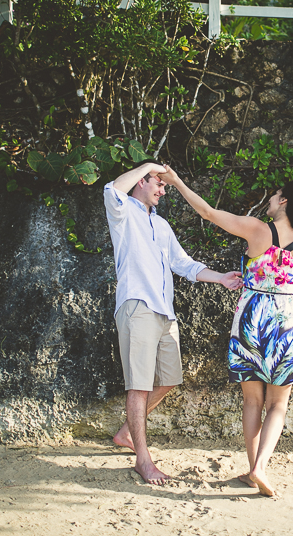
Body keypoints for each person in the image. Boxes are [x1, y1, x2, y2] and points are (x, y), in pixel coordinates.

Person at [160, 165, 293, 496]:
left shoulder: (257, 230)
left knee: (252, 401)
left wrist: (177, 180)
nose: (270, 200)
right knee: (278, 404)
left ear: (285, 201)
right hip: (287, 322)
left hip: (251, 319)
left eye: (274, 195)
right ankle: (260, 467)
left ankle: (253, 470)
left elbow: (207, 212)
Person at [103, 162, 242, 486]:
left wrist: (220, 278)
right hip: (136, 305)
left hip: (165, 313)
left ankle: (126, 433)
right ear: (141, 181)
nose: (163, 190)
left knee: (168, 380)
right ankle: (143, 460)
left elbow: (183, 264)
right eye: (158, 183)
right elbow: (111, 189)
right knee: (138, 386)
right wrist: (149, 165)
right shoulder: (124, 214)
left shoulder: (162, 225)